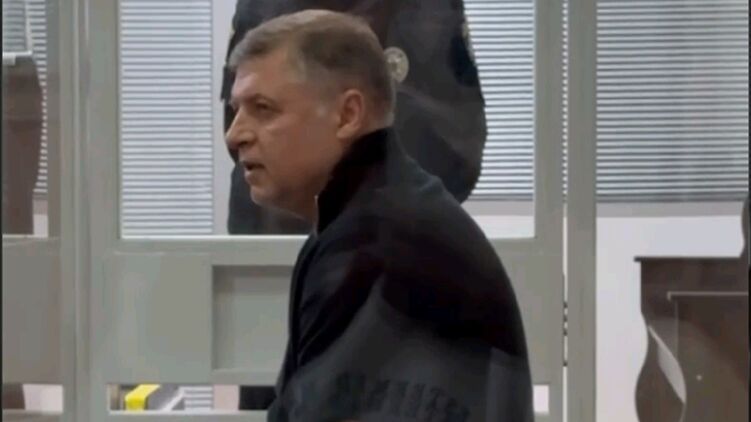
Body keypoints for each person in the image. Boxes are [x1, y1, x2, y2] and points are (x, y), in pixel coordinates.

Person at [225, 10, 533, 420]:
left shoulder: (376, 248)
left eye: (263, 109)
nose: (235, 134)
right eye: (237, 110)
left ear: (348, 115)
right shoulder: (376, 214)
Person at [221, 0, 487, 235]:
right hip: (268, 234)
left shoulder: (426, 10)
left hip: (398, 230)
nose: (236, 135)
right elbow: (238, 123)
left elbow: (456, 141)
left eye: (264, 108)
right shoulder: (261, 5)